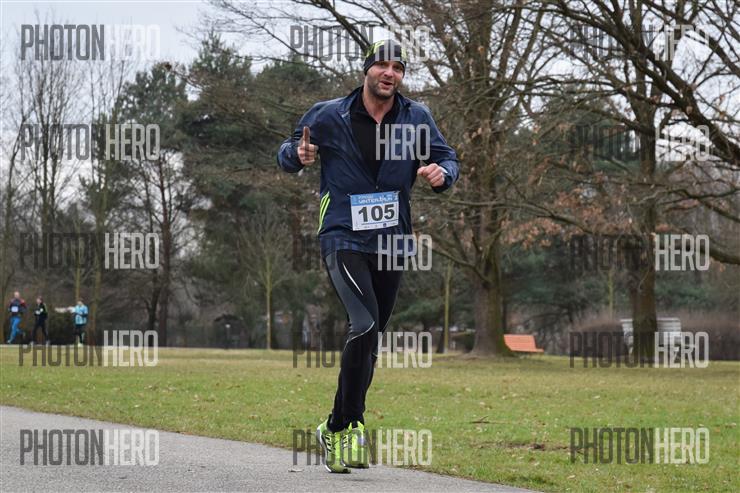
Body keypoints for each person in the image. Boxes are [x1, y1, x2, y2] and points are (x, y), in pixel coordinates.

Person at [277, 39, 459, 472]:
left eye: (398, 67)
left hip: (392, 240)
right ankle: (350, 427)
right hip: (343, 235)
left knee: (371, 336)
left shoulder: (416, 117)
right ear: (366, 70)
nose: (389, 73)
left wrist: (443, 173)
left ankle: (335, 425)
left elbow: (446, 157)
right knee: (362, 324)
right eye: (382, 65)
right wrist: (297, 154)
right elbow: (287, 152)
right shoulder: (328, 115)